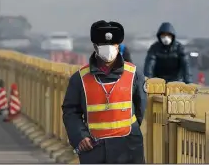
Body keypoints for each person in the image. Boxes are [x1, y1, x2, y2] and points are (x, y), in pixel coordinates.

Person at [62, 20, 147, 164]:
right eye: (103, 46)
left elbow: (140, 109)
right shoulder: (80, 79)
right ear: (95, 47)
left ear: (118, 46)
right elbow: (71, 112)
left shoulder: (134, 74)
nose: (109, 49)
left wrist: (129, 131)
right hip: (94, 150)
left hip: (128, 148)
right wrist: (80, 136)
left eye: (112, 45)